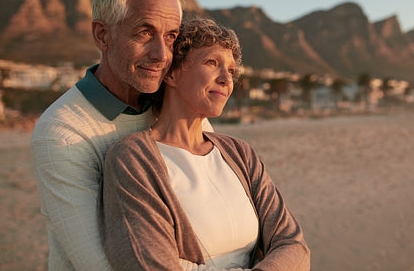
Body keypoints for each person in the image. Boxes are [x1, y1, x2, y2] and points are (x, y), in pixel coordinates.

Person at [31, 0, 212, 270]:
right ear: (102, 35)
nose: (161, 54)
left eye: (171, 37)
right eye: (144, 32)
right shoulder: (62, 133)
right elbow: (101, 264)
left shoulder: (178, 107)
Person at [98, 18, 310, 270]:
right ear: (172, 73)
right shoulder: (132, 158)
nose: (226, 79)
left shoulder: (240, 153)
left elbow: (294, 245)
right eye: (212, 63)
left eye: (231, 71)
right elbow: (147, 263)